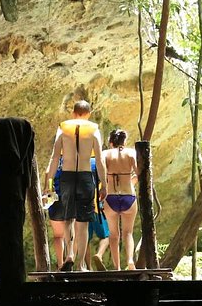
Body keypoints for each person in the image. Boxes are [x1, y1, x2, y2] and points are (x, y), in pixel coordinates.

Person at [42, 100, 106, 271]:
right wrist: (104, 184)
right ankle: (80, 264)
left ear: (73, 112)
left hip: (67, 177)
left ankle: (69, 253)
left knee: (68, 218)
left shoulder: (63, 128)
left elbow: (55, 157)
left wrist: (49, 183)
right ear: (88, 113)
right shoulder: (93, 129)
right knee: (83, 222)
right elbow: (99, 160)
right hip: (85, 176)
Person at [101, 128, 138, 270]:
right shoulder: (132, 153)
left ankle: (117, 267)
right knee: (128, 232)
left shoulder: (106, 154)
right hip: (129, 195)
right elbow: (139, 172)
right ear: (124, 141)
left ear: (111, 142)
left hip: (111, 197)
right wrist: (132, 181)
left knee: (113, 235)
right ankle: (129, 260)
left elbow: (102, 173)